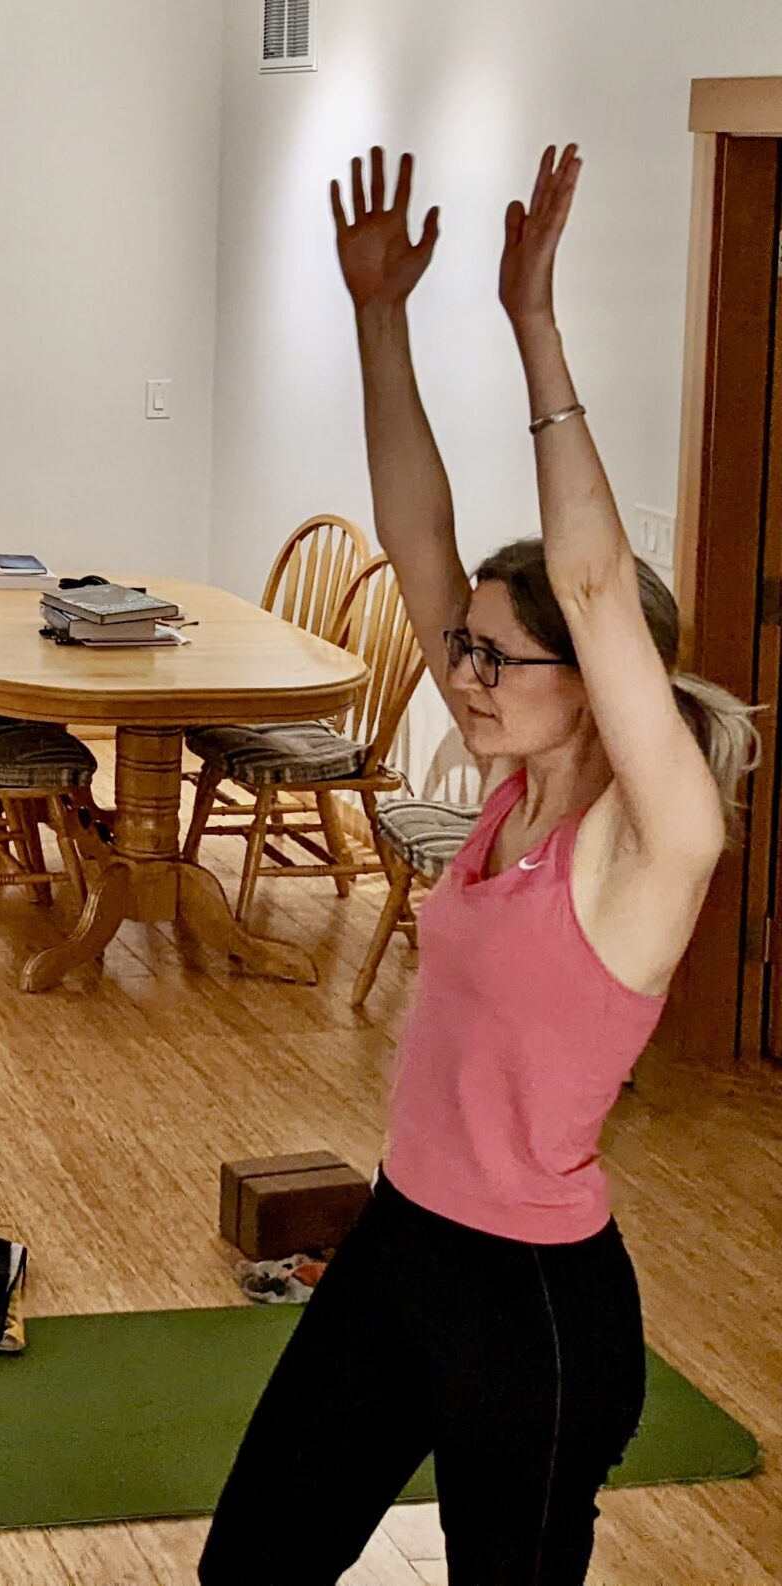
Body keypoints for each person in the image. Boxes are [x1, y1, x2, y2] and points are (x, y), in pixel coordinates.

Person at [199, 146, 757, 1585]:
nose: (464, 671)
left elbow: (590, 580)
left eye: (498, 657)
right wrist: (380, 315)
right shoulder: (511, 787)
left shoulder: (653, 845)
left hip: (534, 1304)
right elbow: (417, 532)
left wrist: (533, 322)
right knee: (250, 1562)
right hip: (400, 1245)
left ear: (600, 681)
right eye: (464, 648)